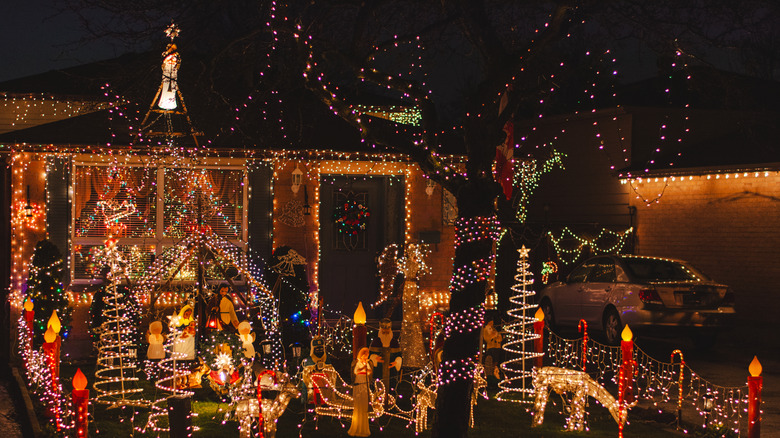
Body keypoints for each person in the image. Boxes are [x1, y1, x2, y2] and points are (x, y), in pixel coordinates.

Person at [348, 347, 372, 437]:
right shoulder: (358, 362)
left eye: (367, 356)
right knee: (359, 401)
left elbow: (369, 371)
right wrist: (363, 369)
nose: (366, 357)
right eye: (365, 356)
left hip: (365, 381)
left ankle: (364, 426)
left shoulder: (366, 363)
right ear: (362, 355)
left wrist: (367, 369)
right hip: (359, 380)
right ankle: (357, 425)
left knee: (364, 401)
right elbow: (356, 371)